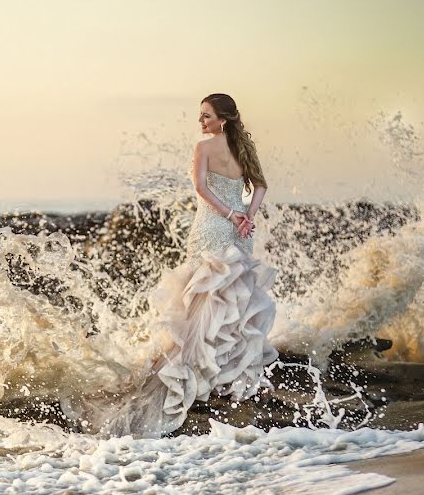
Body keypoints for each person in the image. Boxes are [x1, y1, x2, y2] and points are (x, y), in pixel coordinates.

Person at [75, 93, 280, 438]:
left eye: (206, 116)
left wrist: (231, 215)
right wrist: (247, 217)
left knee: (201, 300)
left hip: (214, 227)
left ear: (223, 119)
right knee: (227, 300)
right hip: (240, 229)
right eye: (200, 116)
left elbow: (201, 188)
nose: (200, 122)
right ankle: (217, 373)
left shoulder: (204, 148)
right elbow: (259, 186)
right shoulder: (244, 148)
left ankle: (190, 372)